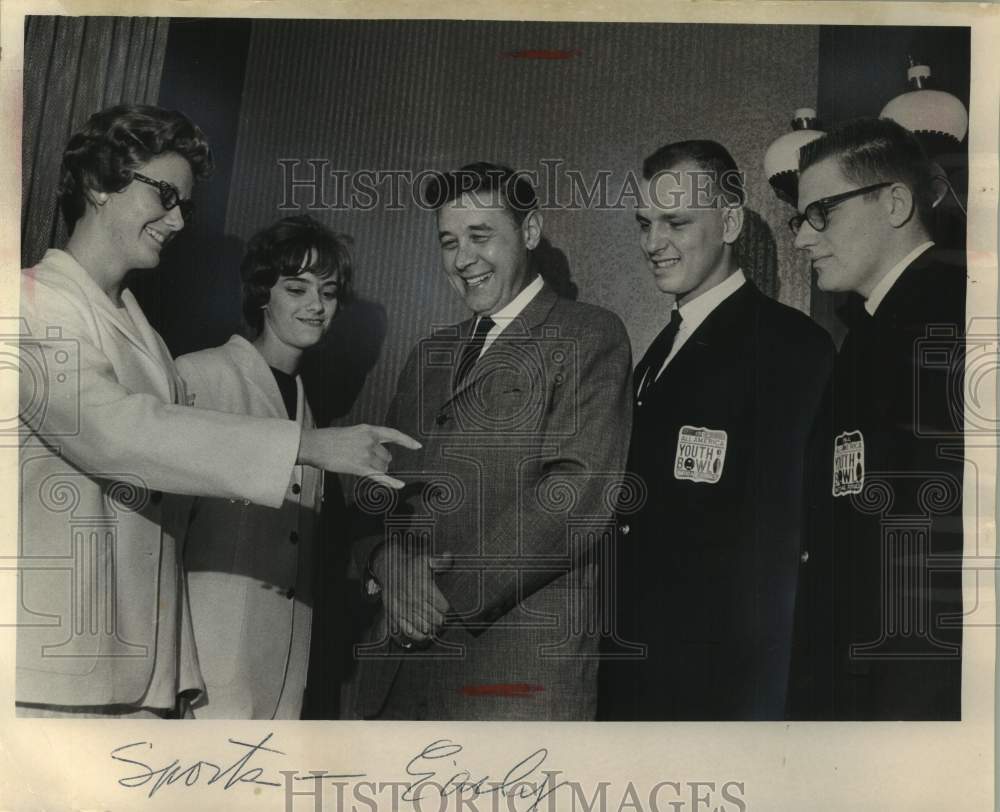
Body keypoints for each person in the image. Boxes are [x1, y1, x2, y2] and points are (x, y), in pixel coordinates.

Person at [17, 104, 416, 718]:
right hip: (52, 667)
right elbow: (112, 431)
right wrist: (306, 446)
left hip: (138, 673)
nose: (178, 220)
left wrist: (176, 675)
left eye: (185, 205)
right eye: (165, 195)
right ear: (97, 184)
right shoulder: (27, 302)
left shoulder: (142, 335)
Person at [347, 162, 632, 720]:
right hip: (401, 679)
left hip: (512, 677)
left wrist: (430, 600)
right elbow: (375, 486)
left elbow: (575, 495)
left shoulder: (590, 333)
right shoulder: (428, 353)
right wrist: (385, 561)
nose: (462, 258)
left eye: (481, 236)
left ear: (529, 232)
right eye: (449, 241)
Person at [597, 140, 834, 720]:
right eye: (646, 224)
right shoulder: (660, 346)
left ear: (729, 222)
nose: (654, 243)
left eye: (676, 222)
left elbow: (784, 550)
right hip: (637, 669)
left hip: (716, 688)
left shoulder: (787, 344)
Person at [788, 117, 964, 720]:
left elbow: (948, 544)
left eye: (822, 213)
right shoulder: (872, 328)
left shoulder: (953, 313)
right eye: (799, 219)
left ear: (894, 203)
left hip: (913, 690)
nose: (802, 240)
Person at [174, 215, 351, 718]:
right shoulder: (200, 377)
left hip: (282, 675)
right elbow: (163, 539)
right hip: (206, 672)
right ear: (262, 295)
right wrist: (176, 675)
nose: (316, 305)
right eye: (297, 288)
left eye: (329, 292)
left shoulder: (309, 410)